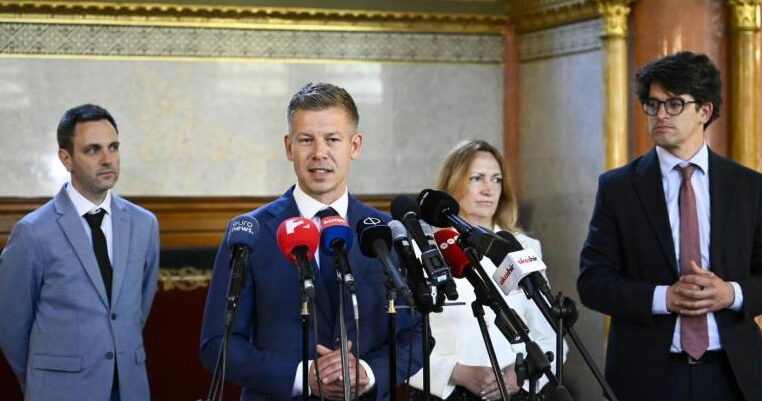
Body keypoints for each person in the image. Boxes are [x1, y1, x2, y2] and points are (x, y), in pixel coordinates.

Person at [199, 82, 425, 401]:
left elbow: (417, 333)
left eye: (332, 139)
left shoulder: (386, 232)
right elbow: (217, 345)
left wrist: (368, 372)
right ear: (289, 146)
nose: (319, 153)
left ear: (355, 146)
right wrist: (301, 377)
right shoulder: (251, 232)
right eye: (306, 140)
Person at [578, 51, 762, 401]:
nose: (660, 114)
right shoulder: (618, 188)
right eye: (653, 104)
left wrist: (731, 294)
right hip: (648, 377)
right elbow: (593, 284)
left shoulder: (749, 187)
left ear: (704, 111)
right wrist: (664, 298)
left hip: (733, 375)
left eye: (674, 104)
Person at [0, 104, 160, 401]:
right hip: (61, 391)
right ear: (66, 158)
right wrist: (43, 381)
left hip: (129, 387)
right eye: (93, 150)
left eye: (113, 147)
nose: (107, 159)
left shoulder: (144, 224)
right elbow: (11, 326)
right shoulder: (33, 232)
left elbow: (137, 309)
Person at [408, 140, 566, 401]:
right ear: (452, 184)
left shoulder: (524, 247)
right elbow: (402, 343)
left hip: (515, 394)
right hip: (446, 395)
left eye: (496, 179)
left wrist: (522, 374)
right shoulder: (423, 251)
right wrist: (456, 373)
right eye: (476, 178)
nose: (488, 189)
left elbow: (551, 335)